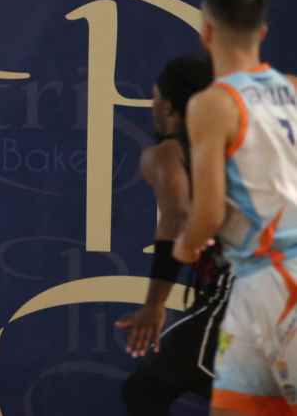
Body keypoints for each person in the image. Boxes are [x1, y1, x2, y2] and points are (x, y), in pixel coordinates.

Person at [174, 0, 297, 415]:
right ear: (262, 31)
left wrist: (186, 246)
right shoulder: (293, 88)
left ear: (206, 30)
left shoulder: (214, 103)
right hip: (253, 278)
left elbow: (208, 212)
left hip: (279, 277)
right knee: (234, 409)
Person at [116, 54, 234, 414]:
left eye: (154, 97)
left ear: (166, 105)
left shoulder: (167, 154)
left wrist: (154, 305)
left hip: (240, 297)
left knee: (146, 389)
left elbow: (176, 217)